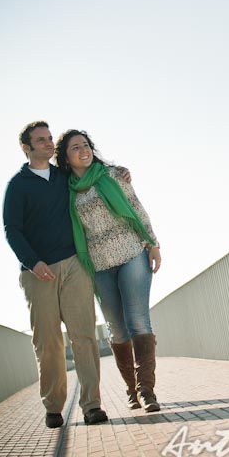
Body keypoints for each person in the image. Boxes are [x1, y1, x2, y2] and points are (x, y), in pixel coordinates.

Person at [3, 121, 111, 428]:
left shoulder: (64, 177)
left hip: (74, 264)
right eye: (41, 140)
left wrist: (122, 173)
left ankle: (92, 405)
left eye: (51, 138)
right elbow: (12, 230)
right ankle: (53, 407)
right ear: (27, 148)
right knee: (48, 342)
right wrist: (33, 262)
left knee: (85, 336)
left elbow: (94, 173)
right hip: (38, 272)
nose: (50, 143)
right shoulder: (18, 185)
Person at [55, 129, 163, 413]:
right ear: (66, 158)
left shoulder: (113, 175)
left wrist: (153, 243)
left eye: (86, 145)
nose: (83, 150)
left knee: (139, 320)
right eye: (75, 147)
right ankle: (131, 390)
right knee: (117, 329)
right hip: (99, 266)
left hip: (131, 253)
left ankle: (147, 390)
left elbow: (136, 208)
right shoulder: (65, 191)